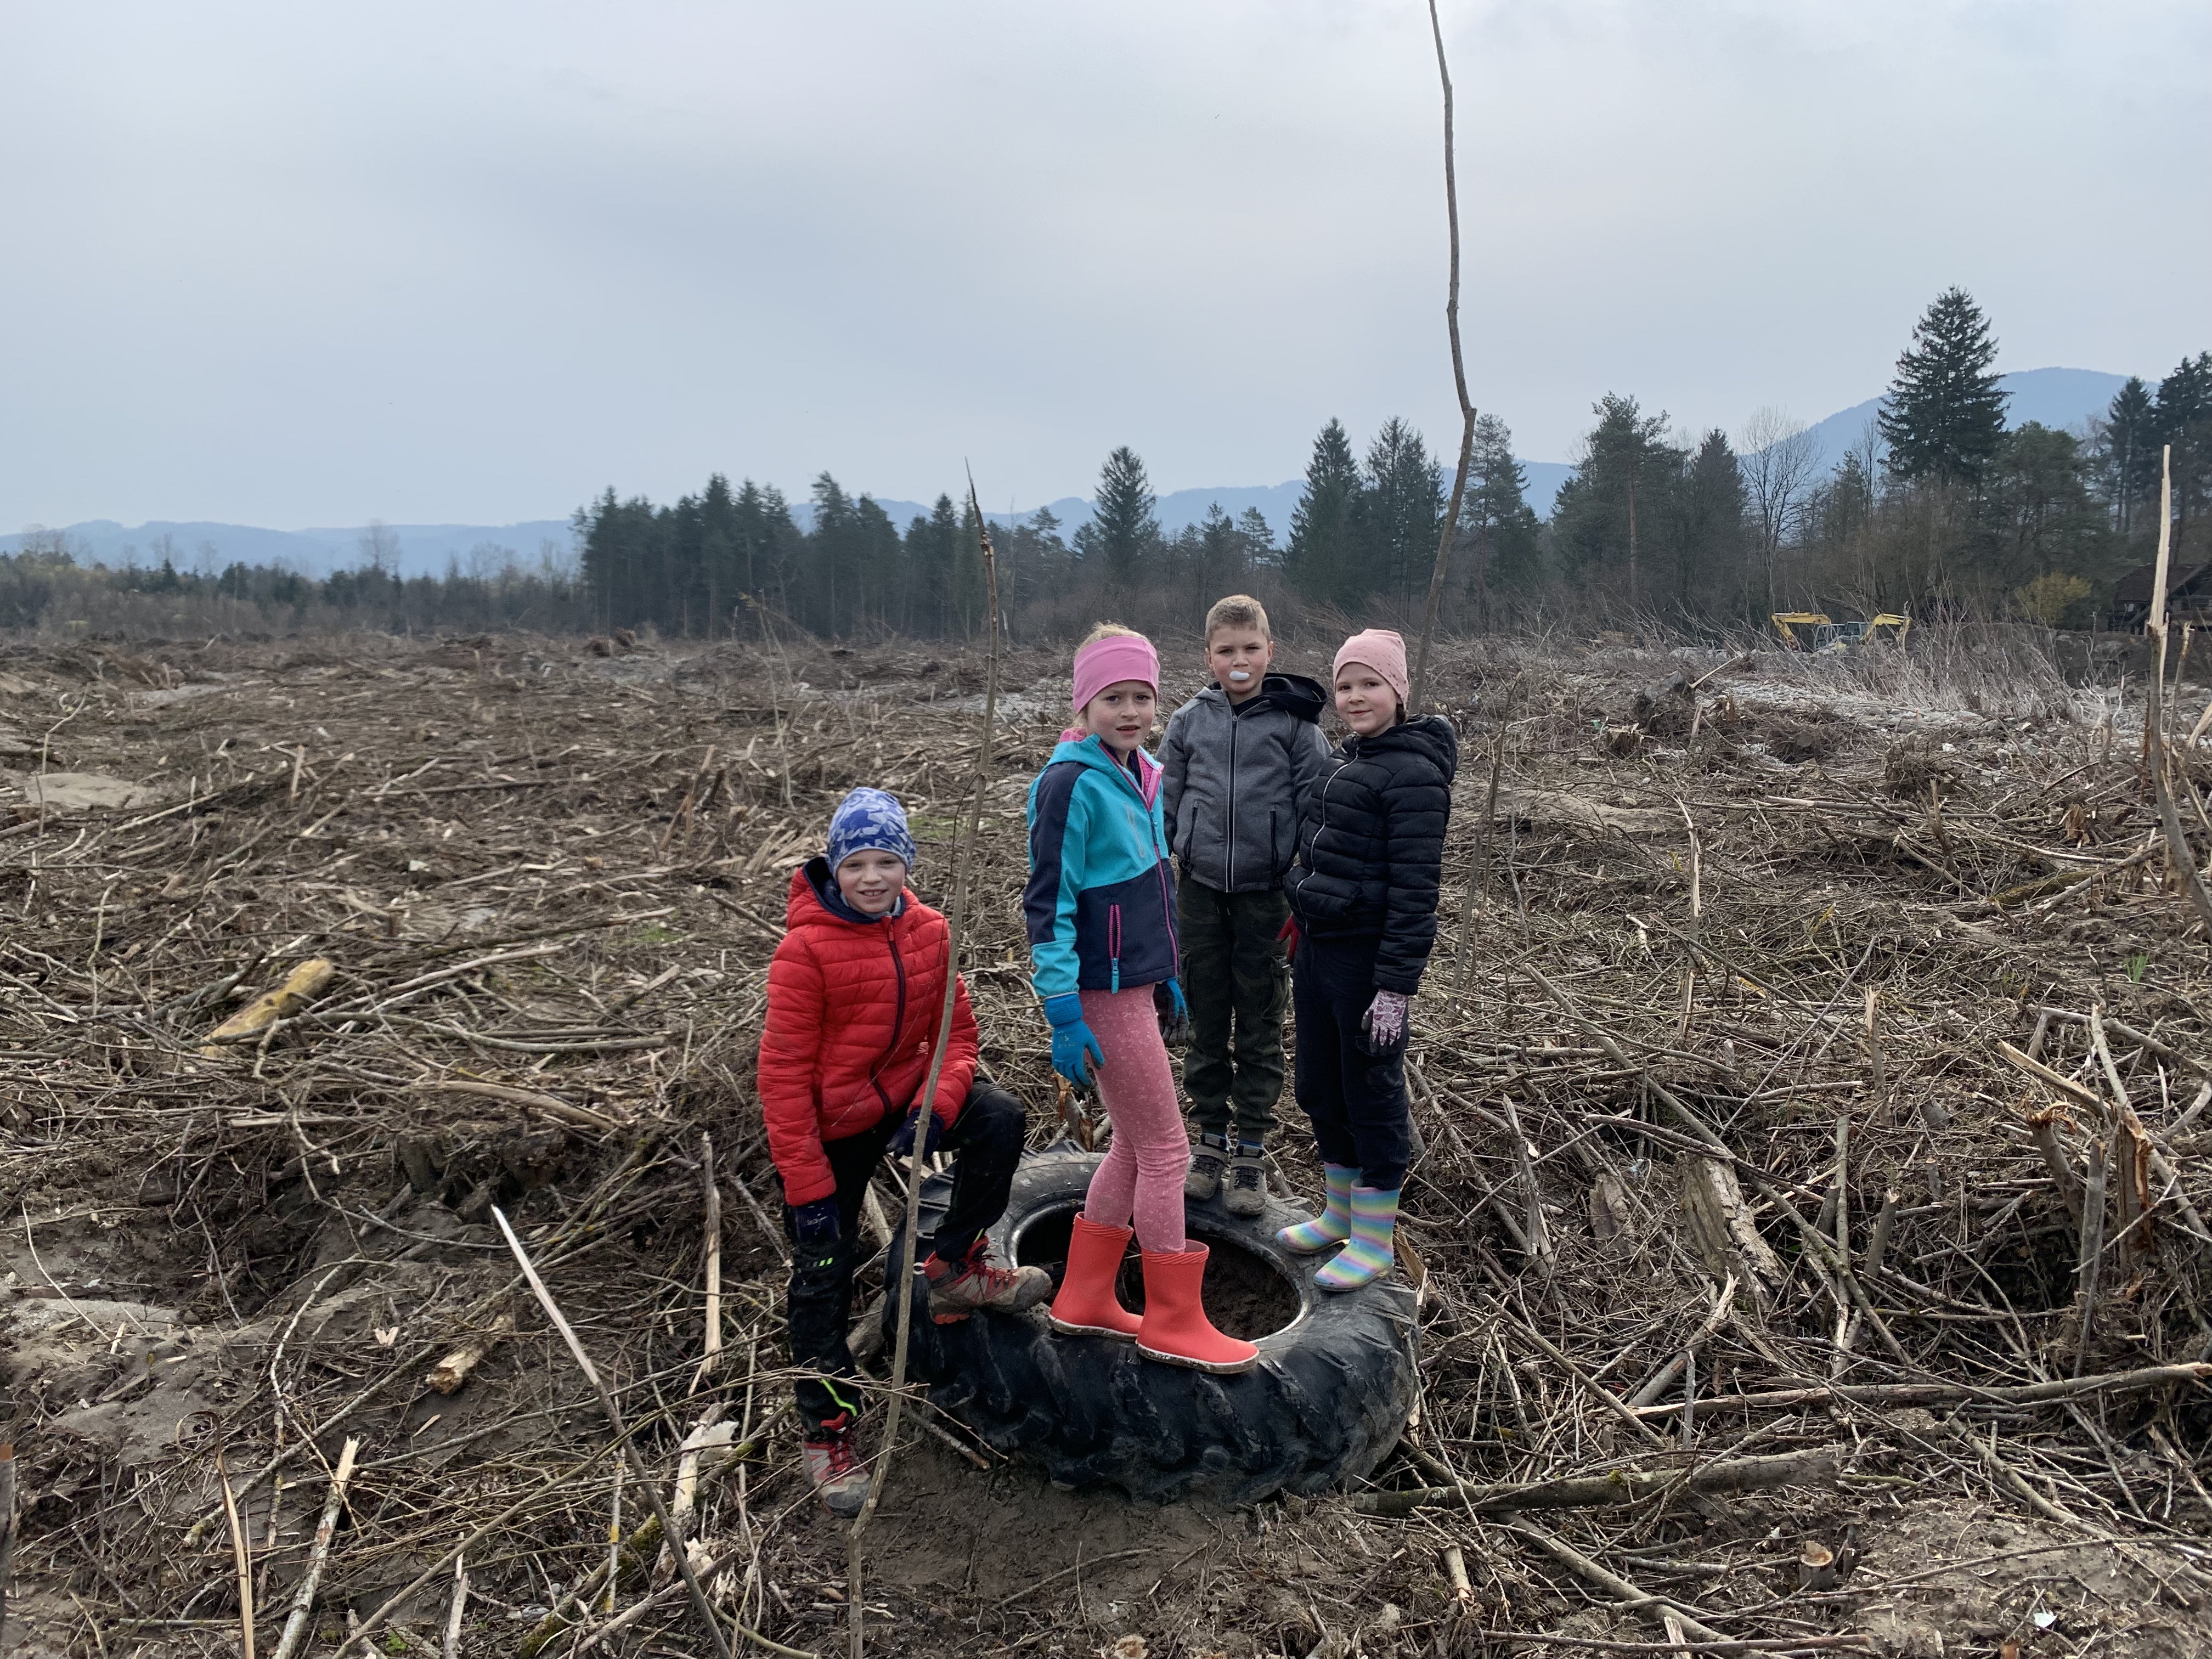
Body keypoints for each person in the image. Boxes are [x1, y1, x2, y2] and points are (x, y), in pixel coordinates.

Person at [758, 786, 1052, 1516]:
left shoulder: (930, 932)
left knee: (998, 1116)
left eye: (886, 860)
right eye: (856, 863)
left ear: (906, 864)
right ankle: (827, 1430)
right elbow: (783, 1079)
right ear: (834, 867)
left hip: (902, 1107)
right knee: (821, 1276)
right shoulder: (805, 951)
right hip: (831, 1131)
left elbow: (958, 1037)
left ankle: (955, 1266)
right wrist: (807, 1189)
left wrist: (933, 1106)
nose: (872, 877)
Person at [1024, 624, 1259, 1374]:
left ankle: (1085, 1295)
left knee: (1132, 1144)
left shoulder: (1145, 773)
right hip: (1099, 992)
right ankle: (1172, 1319)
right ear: (1085, 703)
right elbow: (1049, 903)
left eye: (1142, 697)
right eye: (1112, 698)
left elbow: (1153, 887)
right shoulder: (1069, 784)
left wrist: (1165, 973)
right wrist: (1062, 1007)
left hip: (1137, 984)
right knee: (1167, 1152)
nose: (1130, 711)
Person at [1278, 629, 1458, 1291]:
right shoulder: (1345, 760)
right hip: (1318, 950)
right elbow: (1322, 853)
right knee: (1320, 1085)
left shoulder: (1415, 775)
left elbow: (1416, 892)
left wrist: (1396, 988)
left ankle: (1375, 1240)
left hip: (1366, 963)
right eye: (1346, 685)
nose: (1356, 697)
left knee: (1371, 1094)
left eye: (1370, 684)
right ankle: (1339, 1214)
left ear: (1399, 692)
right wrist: (1302, 912)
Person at [1159, 595, 1329, 1217]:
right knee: (1205, 1018)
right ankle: (1209, 1142)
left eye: (1251, 648)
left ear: (1269, 652)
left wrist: (1304, 880)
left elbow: (1319, 807)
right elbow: (1164, 802)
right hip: (1199, 892)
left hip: (1268, 896)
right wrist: (1163, 868)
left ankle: (1251, 1150)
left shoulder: (1296, 725)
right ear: (1209, 656)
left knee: (1260, 1021)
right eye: (1227, 650)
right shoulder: (1187, 723)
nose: (1240, 660)